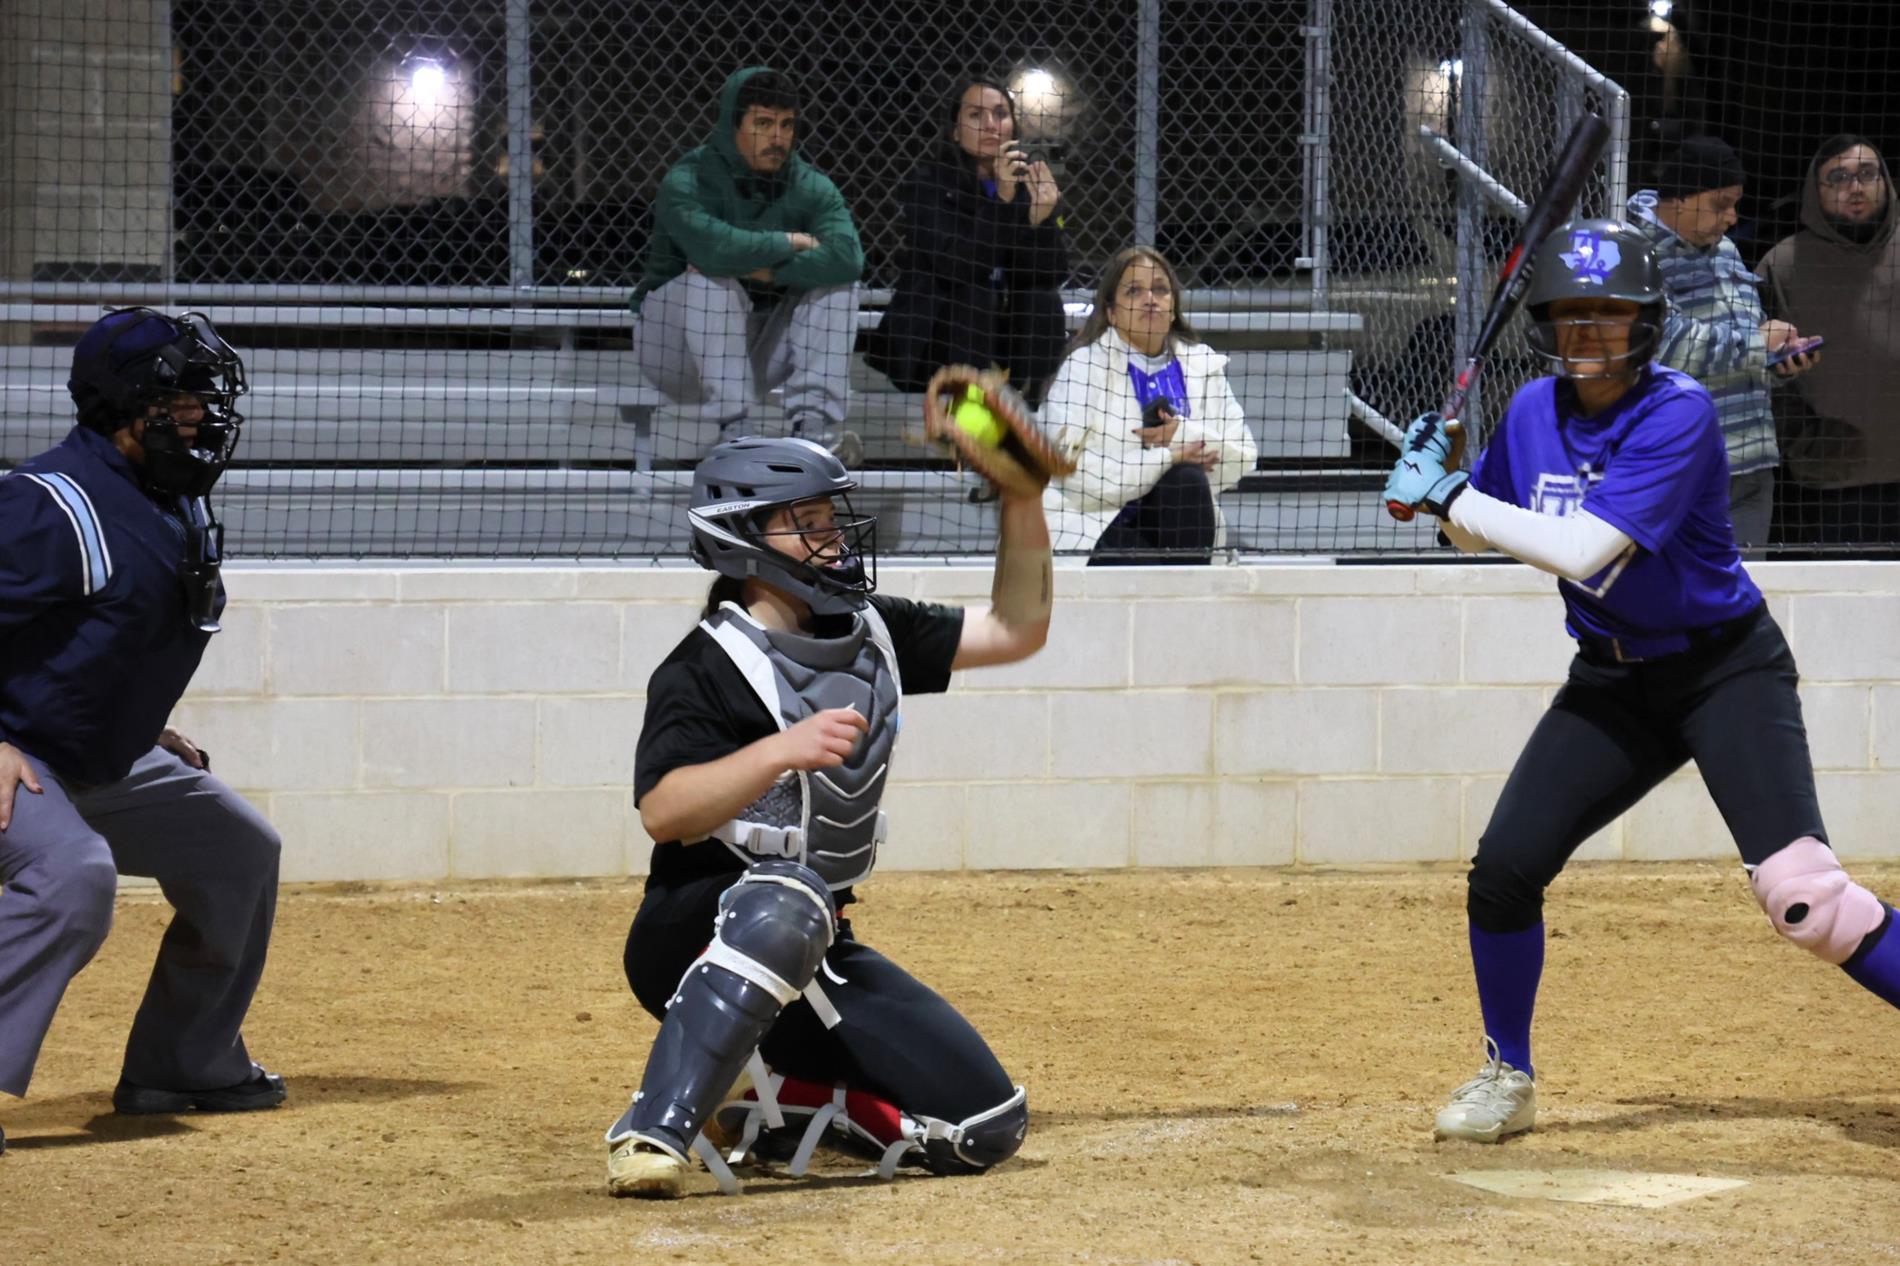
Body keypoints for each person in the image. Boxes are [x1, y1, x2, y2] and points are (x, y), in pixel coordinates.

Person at [1381, 219, 1900, 1144]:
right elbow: (1489, 536)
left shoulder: (1678, 411)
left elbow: (1581, 550)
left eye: (1611, 316)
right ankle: (1509, 1072)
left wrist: (1455, 494)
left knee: (1804, 901)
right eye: (1572, 316)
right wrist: (1443, 490)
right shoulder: (1532, 411)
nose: (1591, 334)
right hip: (1613, 679)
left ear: (1647, 323)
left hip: (1723, 668)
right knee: (1504, 870)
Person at [602, 433, 1053, 1197]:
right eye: (804, 523)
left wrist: (1023, 499)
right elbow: (664, 811)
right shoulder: (704, 666)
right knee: (786, 893)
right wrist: (780, 750)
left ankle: (768, 1108)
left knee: (985, 1126)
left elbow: (1018, 628)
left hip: (818, 944)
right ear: (745, 541)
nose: (831, 539)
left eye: (830, 520)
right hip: (692, 932)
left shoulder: (872, 629)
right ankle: (654, 1130)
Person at [0, 309, 286, 1156]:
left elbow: (95, 635)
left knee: (237, 851)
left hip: (89, 754)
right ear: (133, 403)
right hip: (20, 760)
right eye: (188, 393)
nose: (207, 410)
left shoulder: (166, 498)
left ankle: (184, 1062)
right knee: (71, 879)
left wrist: (137, 719)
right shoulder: (47, 507)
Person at [630, 67, 867, 465]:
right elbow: (712, 251)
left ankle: (813, 431)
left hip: (749, 353)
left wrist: (770, 272)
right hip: (671, 350)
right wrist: (787, 243)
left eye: (786, 125)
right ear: (733, 125)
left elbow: (848, 256)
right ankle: (736, 435)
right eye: (763, 123)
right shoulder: (688, 178)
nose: (778, 138)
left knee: (840, 284)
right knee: (708, 274)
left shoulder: (808, 184)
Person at [1627, 135, 1819, 551]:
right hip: (1681, 467)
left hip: (1752, 464)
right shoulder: (1632, 251)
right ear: (1679, 199)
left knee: (1742, 603)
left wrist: (1777, 362)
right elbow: (1662, 345)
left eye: (1735, 204)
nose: (1732, 217)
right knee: (1677, 603)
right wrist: (1757, 343)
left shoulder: (1726, 250)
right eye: (1720, 204)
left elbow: (1743, 342)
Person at [1039, 246, 1258, 564]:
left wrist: (1181, 435)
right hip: (1091, 525)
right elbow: (1070, 475)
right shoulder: (1082, 368)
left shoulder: (1203, 365)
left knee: (1187, 482)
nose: (1150, 298)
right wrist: (1167, 457)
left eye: (1160, 289)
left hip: (1176, 525)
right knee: (1149, 565)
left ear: (1172, 309)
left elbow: (1243, 456)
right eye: (1134, 291)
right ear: (1112, 312)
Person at [862, 75, 1070, 403]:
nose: (990, 124)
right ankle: (965, 403)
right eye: (976, 115)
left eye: (1000, 114)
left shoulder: (1025, 182)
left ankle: (1033, 398)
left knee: (1042, 299)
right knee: (974, 293)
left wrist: (1040, 219)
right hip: (943, 337)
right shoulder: (927, 184)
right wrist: (1001, 199)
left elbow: (1051, 273)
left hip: (1003, 337)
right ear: (955, 131)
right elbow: (955, 264)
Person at [1759, 135, 1900, 545]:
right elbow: (1758, 371)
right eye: (1838, 178)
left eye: (1867, 174)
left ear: (1885, 181)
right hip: (1835, 476)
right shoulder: (1782, 264)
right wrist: (1801, 438)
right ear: (1813, 191)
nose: (1855, 188)